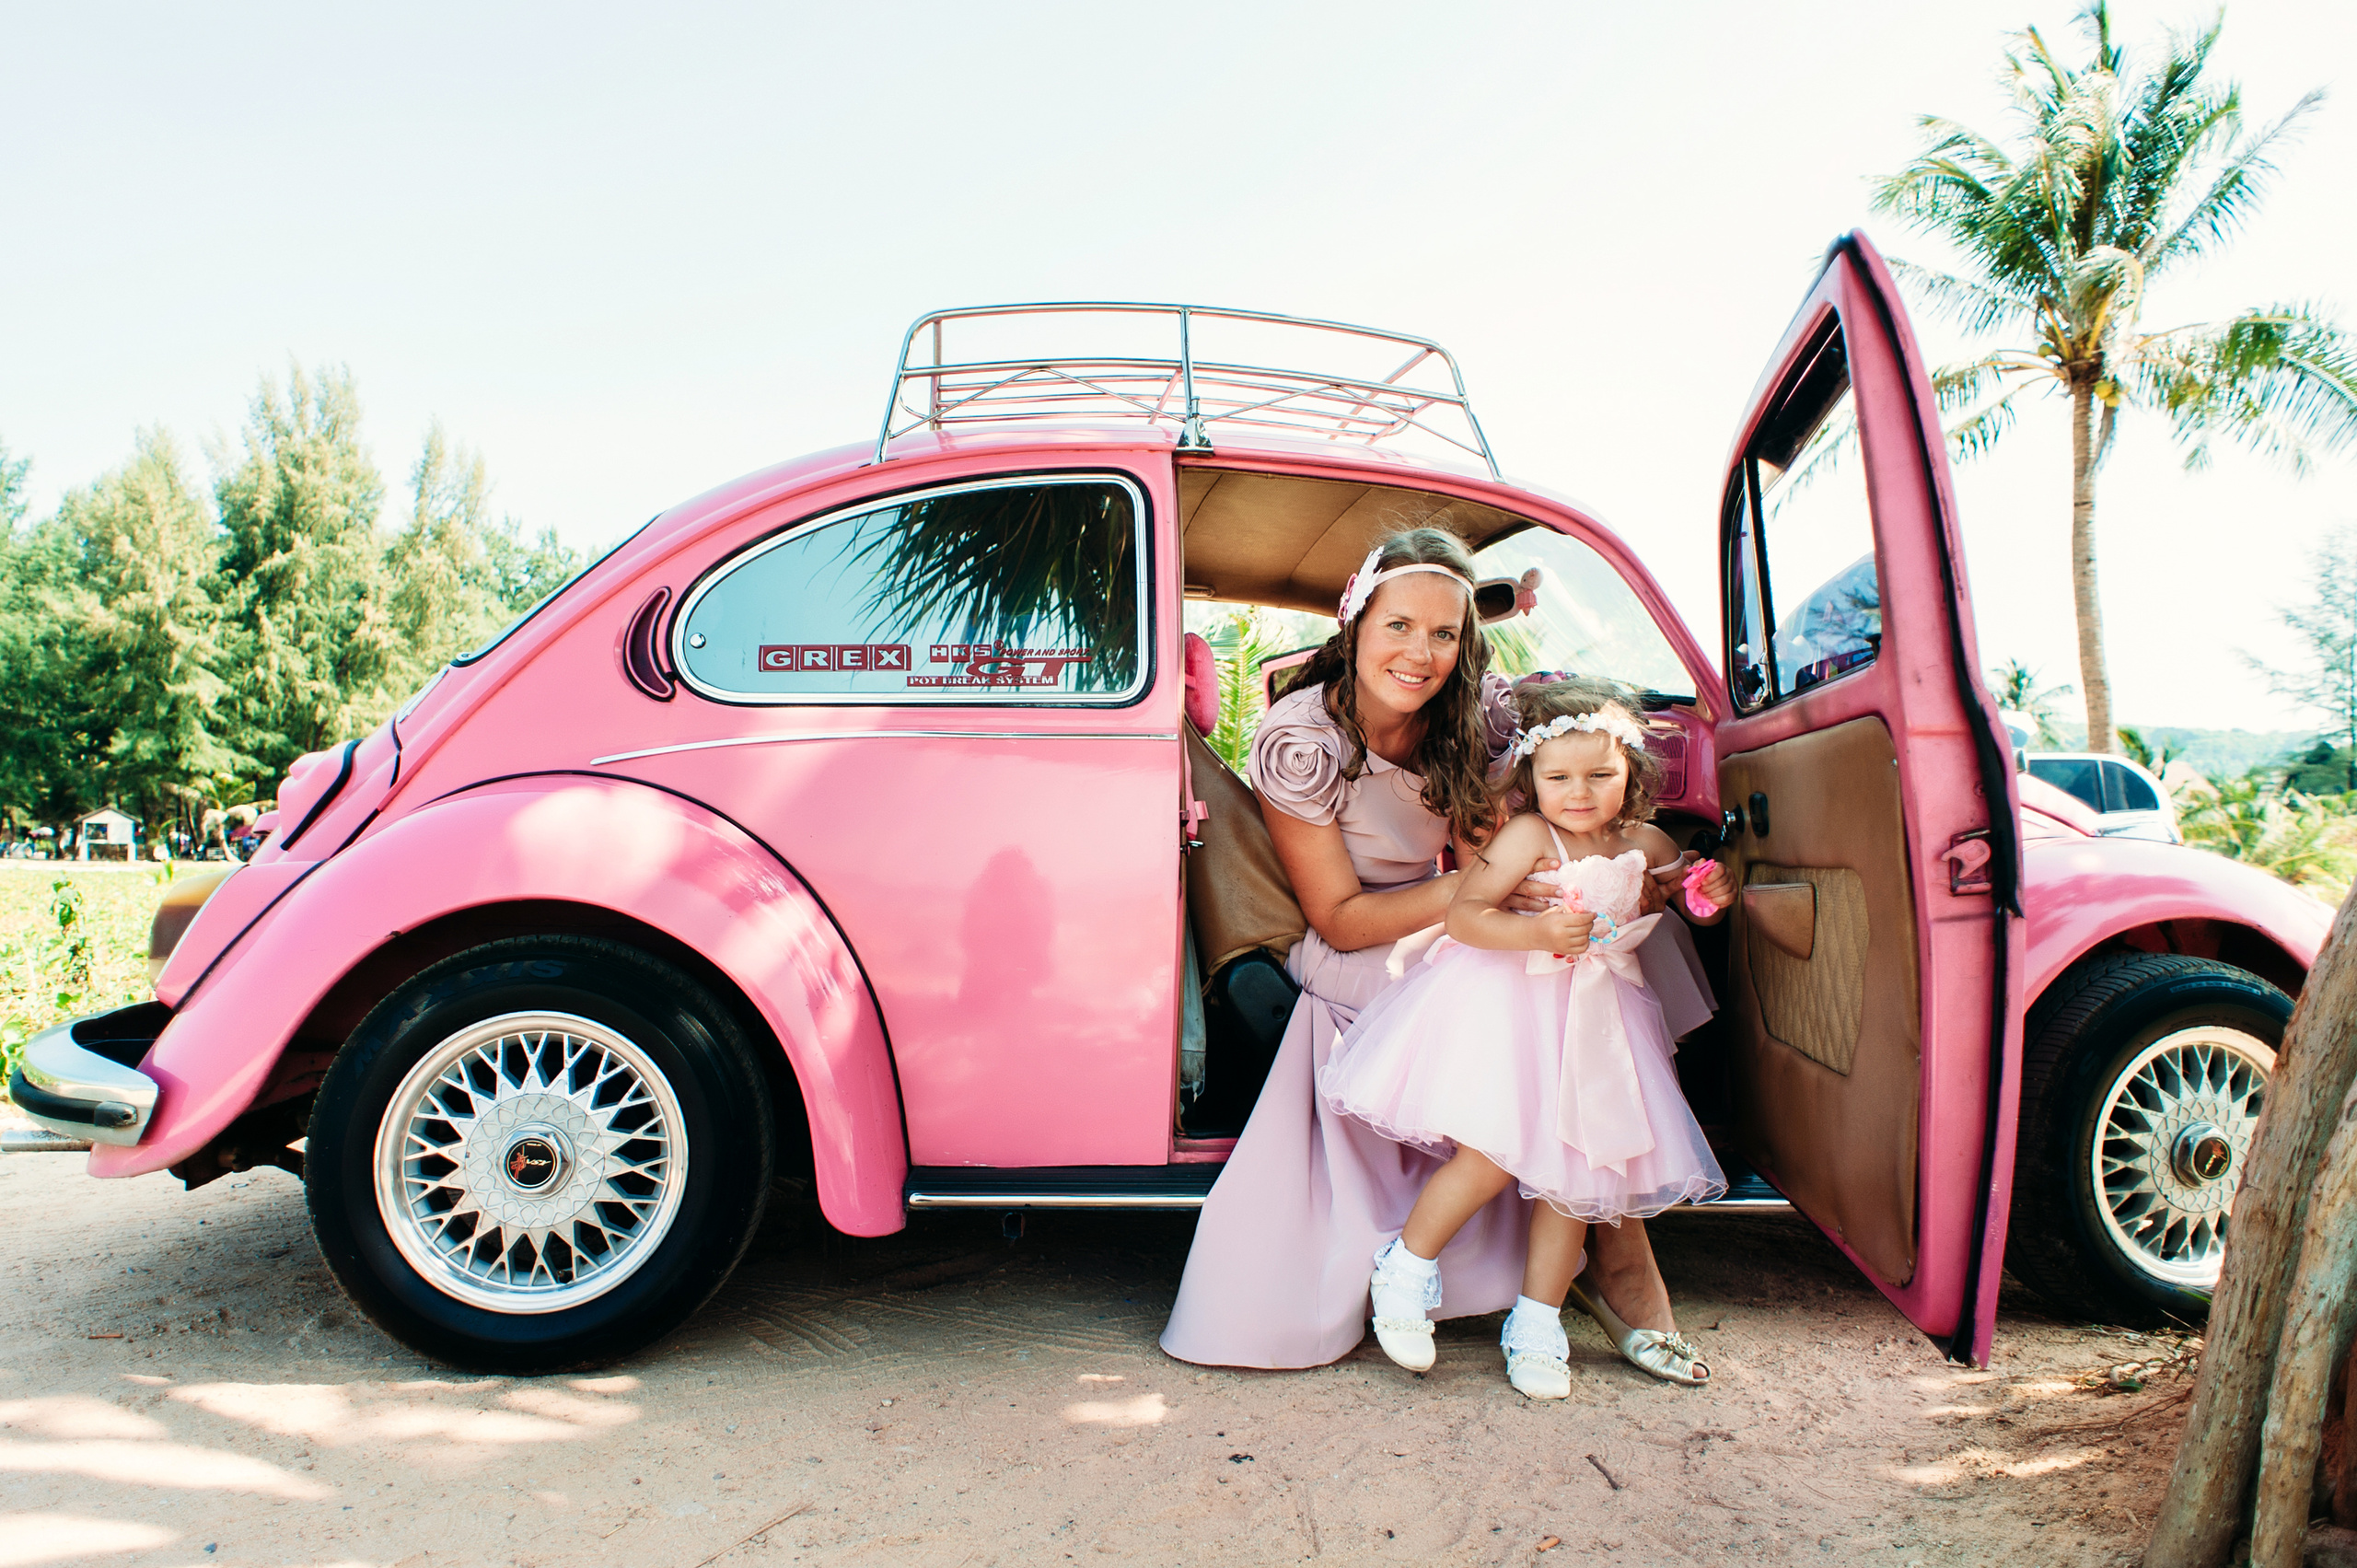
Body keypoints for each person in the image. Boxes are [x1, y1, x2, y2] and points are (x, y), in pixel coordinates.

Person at [1160, 528, 1717, 1378]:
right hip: (1365, 940)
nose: (1421, 654)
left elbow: (1524, 818)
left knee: (1616, 958)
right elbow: (1342, 918)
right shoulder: (1302, 737)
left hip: (1460, 910)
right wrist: (1480, 896)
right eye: (1399, 626)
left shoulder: (1476, 709)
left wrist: (1610, 871)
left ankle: (1593, 1247)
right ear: (1356, 624)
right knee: (1551, 997)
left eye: (1445, 634)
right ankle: (1613, 1267)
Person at [1322, 678, 1734, 1399]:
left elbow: (1685, 894)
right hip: (1515, 1009)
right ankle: (1406, 1266)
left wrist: (1707, 894)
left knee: (1579, 1176)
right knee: (1488, 1156)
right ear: (1531, 776)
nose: (1580, 792)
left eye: (1601, 775)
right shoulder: (1526, 836)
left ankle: (1538, 1320)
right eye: (1559, 776)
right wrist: (1536, 930)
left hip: (1602, 1022)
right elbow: (1467, 915)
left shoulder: (1646, 839)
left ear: (1632, 774)